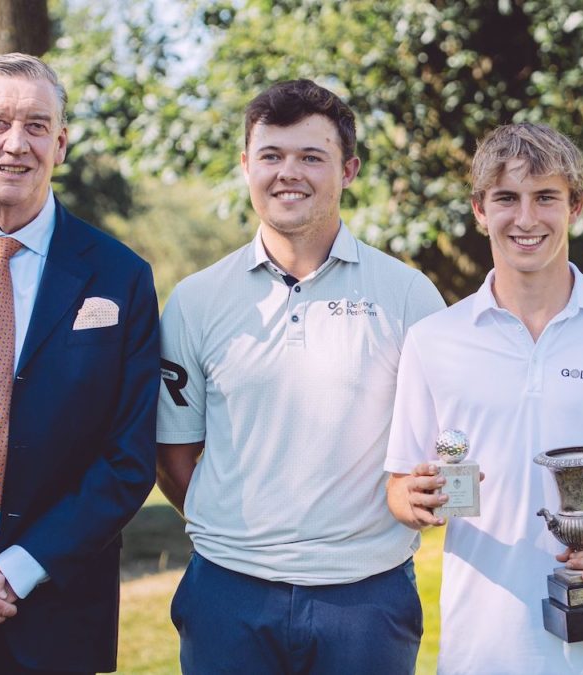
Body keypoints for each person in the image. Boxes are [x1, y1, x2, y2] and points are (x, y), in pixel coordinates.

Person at [156, 79, 444, 674]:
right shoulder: (195, 299)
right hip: (227, 594)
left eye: (312, 156)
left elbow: (441, 443)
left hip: (366, 595)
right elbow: (174, 452)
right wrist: (242, 530)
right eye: (271, 156)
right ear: (245, 166)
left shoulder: (410, 296)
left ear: (349, 169)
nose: (289, 173)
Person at [384, 122, 583, 674]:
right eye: (506, 198)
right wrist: (417, 500)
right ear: (478, 209)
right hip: (482, 647)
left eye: (545, 197)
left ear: (576, 206)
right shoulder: (434, 340)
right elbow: (399, 485)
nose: (525, 219)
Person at [0, 53, 160, 673]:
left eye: (36, 126)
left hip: (58, 611)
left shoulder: (122, 277)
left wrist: (14, 571)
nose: (15, 144)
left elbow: (128, 456)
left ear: (60, 144)